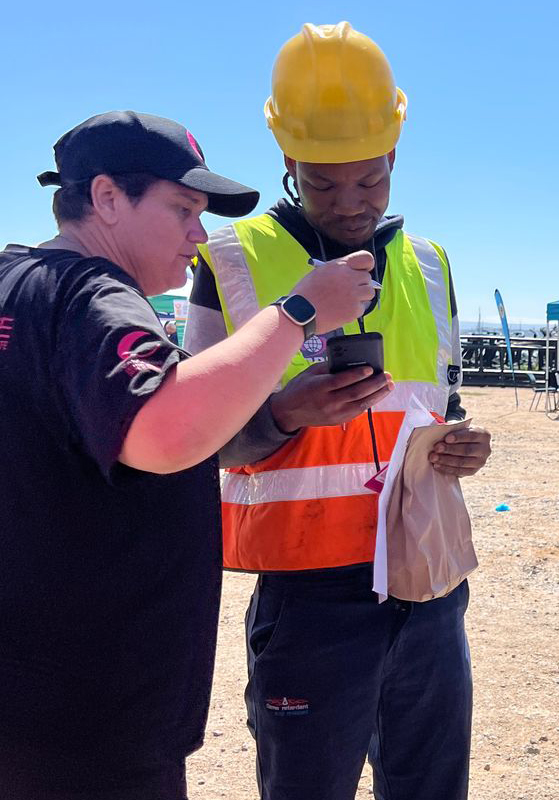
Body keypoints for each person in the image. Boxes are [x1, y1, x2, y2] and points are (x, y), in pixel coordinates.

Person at [0, 111, 375, 800]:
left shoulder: (14, 281)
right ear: (107, 198)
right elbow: (164, 431)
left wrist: (280, 410)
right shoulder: (94, 296)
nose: (199, 236)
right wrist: (297, 313)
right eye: (183, 209)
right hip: (91, 709)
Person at [185, 23, 491, 800]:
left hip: (426, 582)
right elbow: (195, 439)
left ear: (394, 156)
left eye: (370, 181)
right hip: (308, 592)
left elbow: (441, 408)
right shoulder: (231, 261)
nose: (350, 204)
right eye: (323, 185)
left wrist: (461, 447)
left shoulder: (430, 266)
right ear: (288, 164)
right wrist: (284, 414)